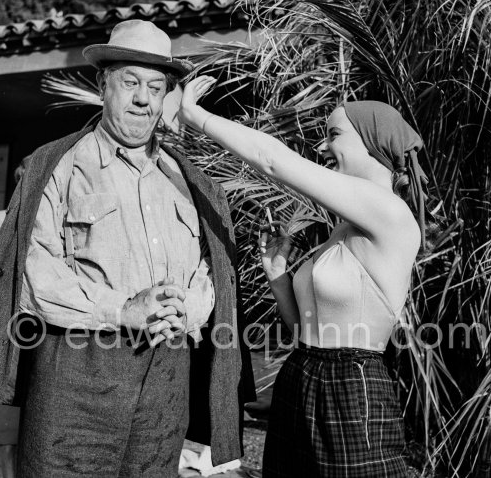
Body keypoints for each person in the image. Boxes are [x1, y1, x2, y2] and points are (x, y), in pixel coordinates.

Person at [0, 21, 254, 478]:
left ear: (167, 98)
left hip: (167, 377)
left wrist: (189, 310)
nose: (143, 99)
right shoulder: (56, 165)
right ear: (103, 85)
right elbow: (33, 274)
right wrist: (123, 310)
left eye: (156, 87)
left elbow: (209, 268)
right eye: (131, 82)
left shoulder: (190, 181)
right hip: (77, 372)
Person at [180, 75, 429, 477]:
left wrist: (196, 116)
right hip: (302, 372)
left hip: (351, 385)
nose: (322, 146)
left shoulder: (390, 213)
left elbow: (273, 161)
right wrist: (279, 278)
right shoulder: (341, 230)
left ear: (372, 141)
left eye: (334, 134)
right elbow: (306, 332)